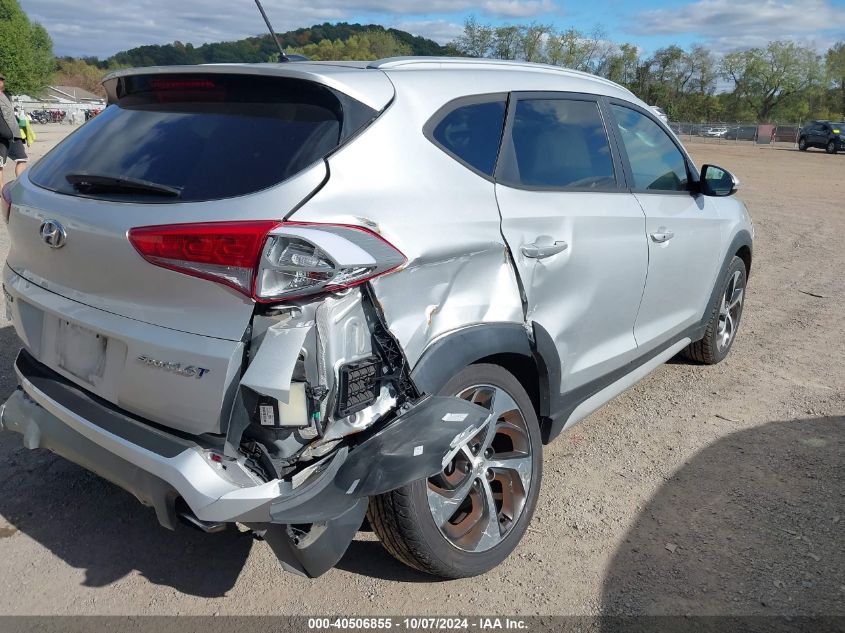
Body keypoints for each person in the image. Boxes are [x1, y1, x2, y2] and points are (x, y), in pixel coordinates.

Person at [0, 73, 28, 189]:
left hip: (14, 134)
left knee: (22, 159)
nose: (1, 82)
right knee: (0, 165)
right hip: (1, 136)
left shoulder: (5, 95)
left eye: (1, 80)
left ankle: (20, 186)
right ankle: (1, 190)